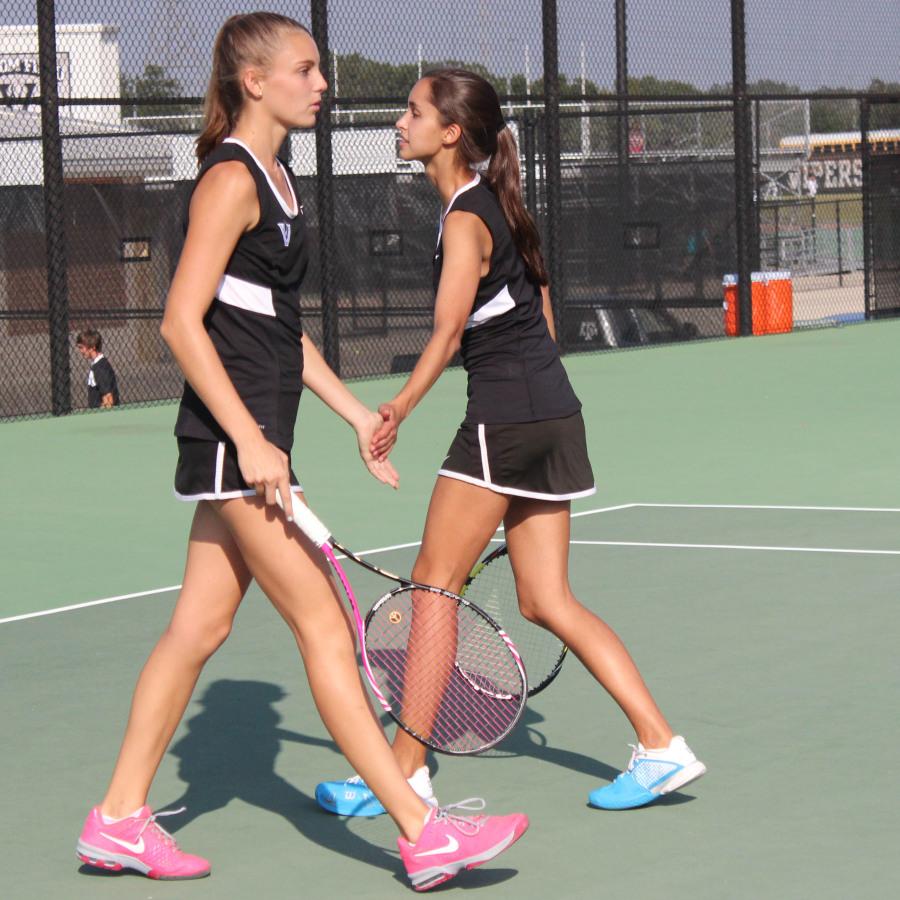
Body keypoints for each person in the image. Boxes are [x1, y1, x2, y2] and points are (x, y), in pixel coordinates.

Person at [74, 20, 526, 891]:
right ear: (252, 80)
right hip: (233, 442)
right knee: (326, 624)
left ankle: (118, 819)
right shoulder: (230, 180)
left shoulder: (280, 182)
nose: (323, 83)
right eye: (306, 69)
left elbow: (281, 329)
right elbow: (179, 320)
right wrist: (248, 439)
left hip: (254, 441)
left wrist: (357, 414)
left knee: (198, 628)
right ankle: (421, 831)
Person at [315, 68, 705, 816]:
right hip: (552, 414)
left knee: (432, 589)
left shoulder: (465, 216)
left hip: (504, 420)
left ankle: (404, 775)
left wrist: (392, 408)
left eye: (412, 112)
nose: (400, 123)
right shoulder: (498, 204)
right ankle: (662, 746)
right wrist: (534, 389)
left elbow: (447, 334)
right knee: (545, 598)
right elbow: (542, 304)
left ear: (451, 132)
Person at [75, 329, 120, 408]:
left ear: (92, 347)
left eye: (81, 347)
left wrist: (97, 410)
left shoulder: (100, 368)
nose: (80, 351)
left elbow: (109, 401)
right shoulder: (98, 365)